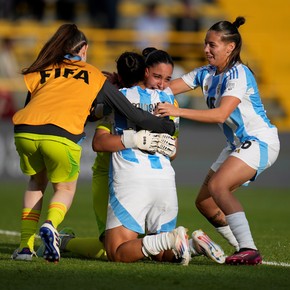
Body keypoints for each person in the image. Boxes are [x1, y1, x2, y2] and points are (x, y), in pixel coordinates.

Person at [11, 23, 176, 263]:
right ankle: (51, 224)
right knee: (65, 189)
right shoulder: (93, 74)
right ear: (84, 48)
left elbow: (35, 103)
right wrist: (166, 126)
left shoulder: (42, 68)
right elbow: (135, 114)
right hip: (62, 135)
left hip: (24, 130)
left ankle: (25, 247)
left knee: (36, 183)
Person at [56, 48, 225, 265]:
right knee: (159, 250)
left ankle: (65, 242)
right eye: (158, 76)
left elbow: (99, 142)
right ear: (144, 72)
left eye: (166, 79)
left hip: (128, 178)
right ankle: (193, 245)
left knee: (114, 250)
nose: (162, 84)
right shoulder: (170, 101)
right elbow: (173, 151)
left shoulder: (118, 97)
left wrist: (134, 138)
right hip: (164, 181)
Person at [155, 16, 280, 265]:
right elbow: (165, 89)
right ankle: (242, 248)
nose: (206, 49)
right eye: (205, 44)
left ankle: (248, 248)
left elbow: (220, 114)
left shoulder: (239, 73)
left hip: (260, 140)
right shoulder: (207, 73)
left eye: (212, 45)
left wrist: (177, 111)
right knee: (205, 203)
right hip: (237, 144)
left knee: (218, 186)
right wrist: (128, 85)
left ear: (230, 47)